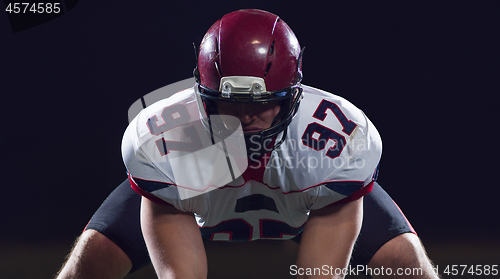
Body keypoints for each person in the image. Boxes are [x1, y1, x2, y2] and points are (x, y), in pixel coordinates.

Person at [56, 9, 440, 279]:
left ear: (293, 95)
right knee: (88, 267)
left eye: (262, 104)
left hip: (309, 196)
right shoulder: (166, 142)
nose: (245, 118)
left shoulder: (331, 144)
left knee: (408, 268)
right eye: (231, 103)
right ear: (203, 96)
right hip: (195, 189)